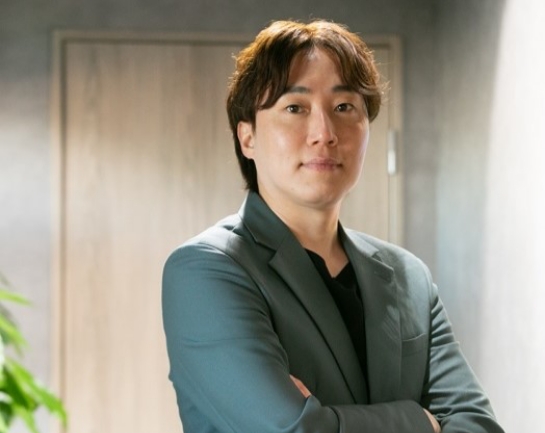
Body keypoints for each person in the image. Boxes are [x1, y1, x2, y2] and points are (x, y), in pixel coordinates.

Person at [162, 19, 504, 433]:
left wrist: (326, 419)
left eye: (344, 107)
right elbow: (294, 430)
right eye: (295, 108)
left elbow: (479, 425)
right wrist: (423, 421)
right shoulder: (208, 270)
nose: (324, 133)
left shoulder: (408, 277)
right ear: (247, 137)